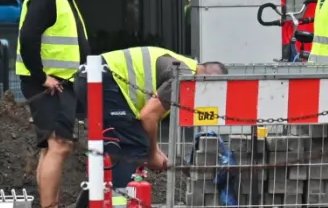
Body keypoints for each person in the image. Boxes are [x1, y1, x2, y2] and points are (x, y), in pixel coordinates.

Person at [15, 0, 94, 208]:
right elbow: (28, 35)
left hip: (58, 83)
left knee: (53, 146)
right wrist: (41, 76)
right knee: (59, 145)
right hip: (50, 85)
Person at [78, 46, 228, 191]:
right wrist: (152, 153)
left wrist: (154, 150)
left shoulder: (184, 66)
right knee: (132, 146)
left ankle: (104, 202)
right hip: (102, 79)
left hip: (96, 76)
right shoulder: (184, 77)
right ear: (207, 81)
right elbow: (148, 116)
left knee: (114, 144)